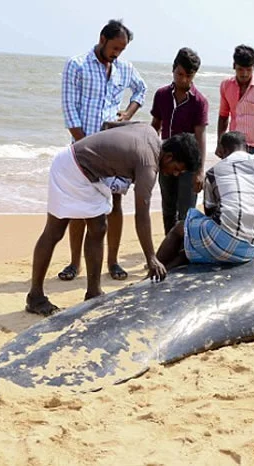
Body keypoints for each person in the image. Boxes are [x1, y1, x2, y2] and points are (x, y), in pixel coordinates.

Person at [26, 123, 200, 316]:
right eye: (176, 169)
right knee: (55, 231)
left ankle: (93, 293)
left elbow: (109, 125)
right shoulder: (148, 165)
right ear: (168, 157)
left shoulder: (149, 131)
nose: (174, 174)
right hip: (73, 169)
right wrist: (151, 258)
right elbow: (141, 214)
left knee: (98, 228)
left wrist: (106, 155)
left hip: (80, 166)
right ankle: (36, 296)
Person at [59, 19, 147, 283]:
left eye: (122, 49)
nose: (117, 53)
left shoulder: (124, 68)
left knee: (115, 203)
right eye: (115, 47)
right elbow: (69, 109)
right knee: (80, 206)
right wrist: (84, 144)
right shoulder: (77, 65)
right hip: (81, 148)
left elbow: (141, 89)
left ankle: (113, 261)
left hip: (112, 148)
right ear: (102, 38)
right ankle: (75, 264)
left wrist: (128, 112)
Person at [155, 131, 254, 269]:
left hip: (224, 244)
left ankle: (153, 270)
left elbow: (210, 214)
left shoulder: (214, 171)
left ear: (223, 150)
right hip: (249, 250)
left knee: (180, 228)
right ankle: (168, 268)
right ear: (247, 148)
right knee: (197, 246)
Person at [150, 47, 209, 234]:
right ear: (173, 69)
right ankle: (169, 247)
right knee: (168, 208)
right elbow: (155, 126)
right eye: (180, 74)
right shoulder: (161, 95)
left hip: (187, 164)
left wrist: (199, 170)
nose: (183, 79)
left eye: (189, 76)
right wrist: (150, 157)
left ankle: (184, 251)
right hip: (166, 160)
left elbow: (200, 137)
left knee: (186, 211)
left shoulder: (199, 101)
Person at [216, 45, 254, 157]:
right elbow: (223, 116)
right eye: (240, 69)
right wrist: (220, 143)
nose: (244, 74)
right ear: (234, 66)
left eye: (248, 69)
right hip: (232, 147)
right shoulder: (226, 85)